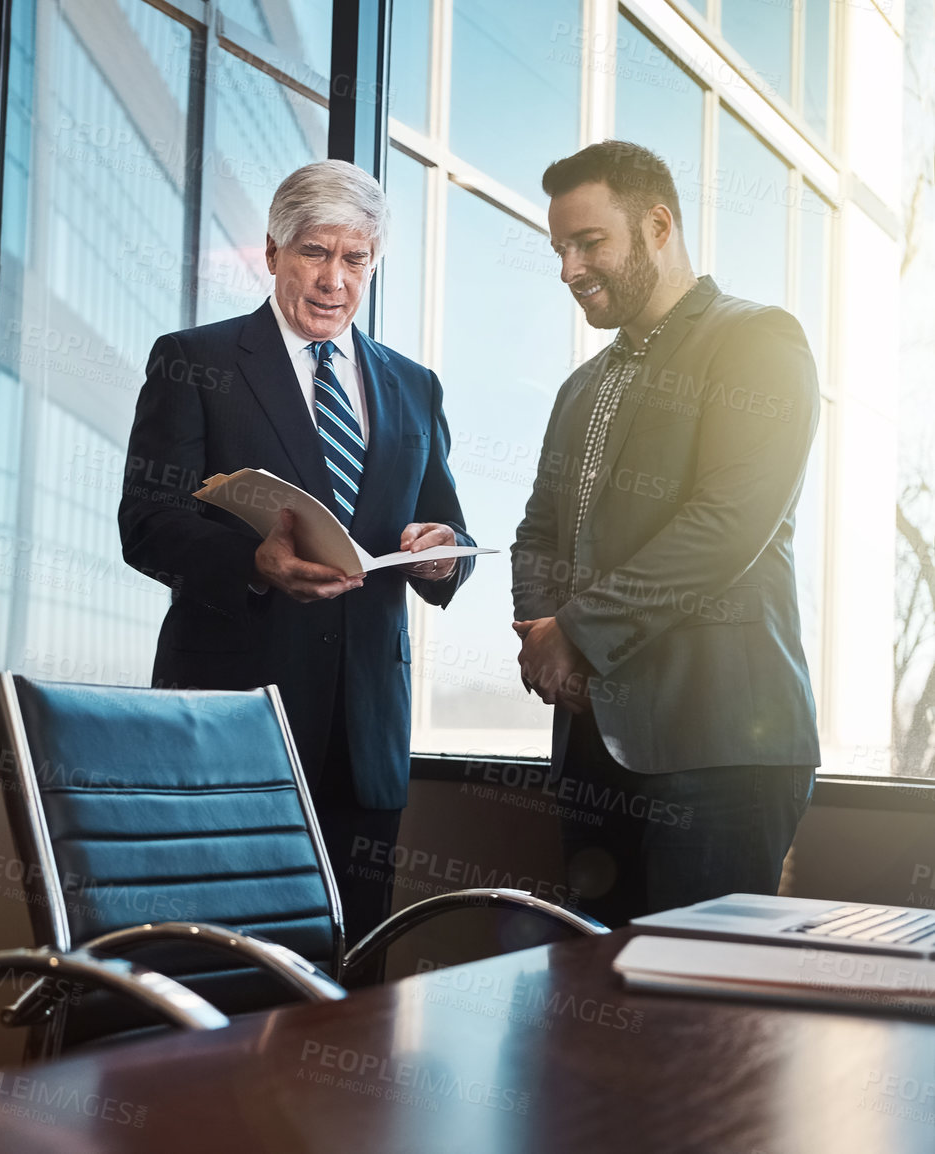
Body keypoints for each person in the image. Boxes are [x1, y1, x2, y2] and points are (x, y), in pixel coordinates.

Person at [118, 159, 476, 936]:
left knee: (348, 974)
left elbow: (448, 527)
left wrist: (445, 554)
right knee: (223, 967)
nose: (333, 280)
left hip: (365, 736)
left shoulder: (415, 386)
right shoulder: (196, 360)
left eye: (356, 260)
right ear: (273, 251)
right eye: (316, 252)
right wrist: (254, 565)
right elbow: (146, 523)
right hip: (231, 723)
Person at [512, 140, 820, 927]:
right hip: (591, 749)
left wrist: (575, 633)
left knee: (701, 1028)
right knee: (598, 1016)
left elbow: (725, 526)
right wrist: (544, 642)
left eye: (589, 242)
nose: (569, 269)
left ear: (657, 225)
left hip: (721, 753)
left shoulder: (758, 339)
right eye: (559, 248)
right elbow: (538, 531)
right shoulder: (581, 386)